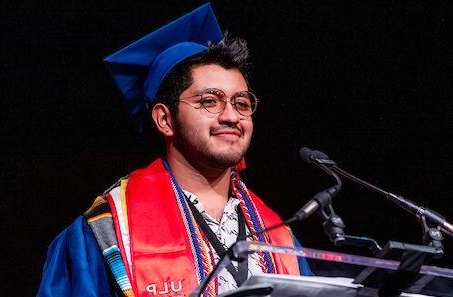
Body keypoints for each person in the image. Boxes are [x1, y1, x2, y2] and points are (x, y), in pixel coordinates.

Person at [36, 4, 310, 297]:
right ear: (165, 120)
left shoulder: (278, 234)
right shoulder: (110, 230)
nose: (231, 116)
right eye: (209, 101)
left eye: (241, 103)